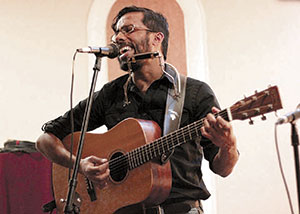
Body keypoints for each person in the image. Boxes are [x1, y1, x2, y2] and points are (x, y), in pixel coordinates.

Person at [36, 6, 239, 214]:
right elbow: (45, 140)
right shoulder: (110, 94)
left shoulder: (195, 93)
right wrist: (80, 166)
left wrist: (228, 145)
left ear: (156, 38)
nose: (118, 38)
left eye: (128, 29)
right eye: (116, 32)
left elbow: (223, 169)